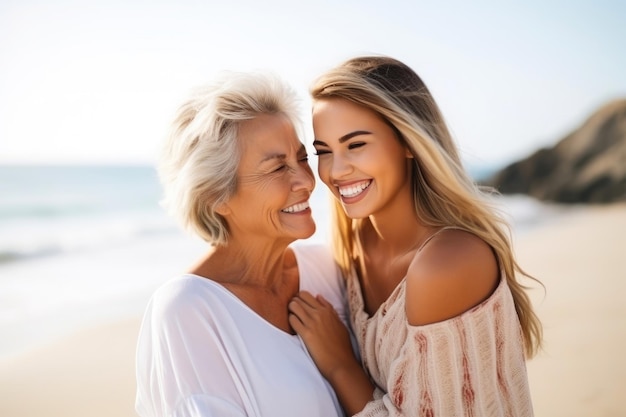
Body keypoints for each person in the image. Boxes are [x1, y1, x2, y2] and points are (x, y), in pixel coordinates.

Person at [288, 55, 543, 416]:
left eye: (356, 144)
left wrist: (339, 363)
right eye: (323, 151)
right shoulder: (356, 243)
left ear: (409, 141)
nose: (336, 170)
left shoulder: (447, 263)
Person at [135, 71, 349, 417]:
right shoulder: (187, 310)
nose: (306, 182)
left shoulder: (327, 270)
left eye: (303, 159)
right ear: (216, 196)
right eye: (278, 168)